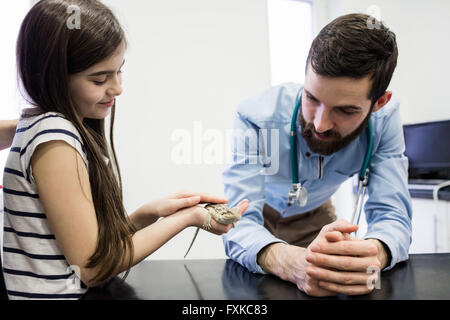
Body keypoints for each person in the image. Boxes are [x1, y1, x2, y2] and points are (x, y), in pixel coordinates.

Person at [2, 0, 248, 300]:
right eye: (100, 78)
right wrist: (186, 219)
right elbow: (93, 268)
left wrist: (150, 213)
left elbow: (88, 248)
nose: (117, 88)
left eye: (119, 72)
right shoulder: (55, 138)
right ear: (52, 75)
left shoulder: (44, 126)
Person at [222, 13, 412, 297]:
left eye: (346, 110)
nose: (321, 124)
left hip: (316, 216)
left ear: (379, 103)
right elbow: (237, 220)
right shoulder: (255, 117)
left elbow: (392, 215)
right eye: (312, 98)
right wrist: (286, 262)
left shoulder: (385, 122)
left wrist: (374, 253)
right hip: (258, 218)